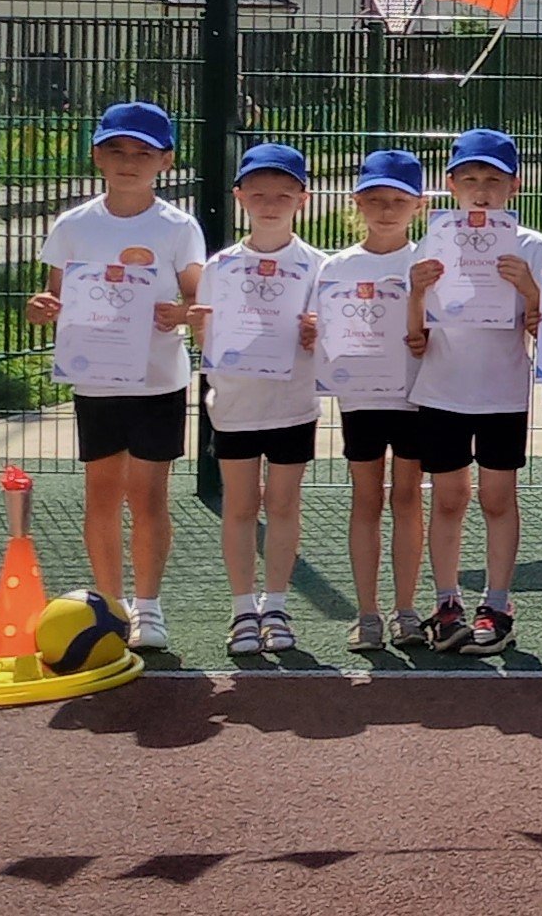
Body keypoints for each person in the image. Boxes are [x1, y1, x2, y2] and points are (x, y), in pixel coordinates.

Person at [25, 101, 208, 651]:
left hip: (157, 379)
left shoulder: (179, 226)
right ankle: (110, 606)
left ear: (166, 160)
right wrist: (41, 309)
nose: (129, 162)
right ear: (97, 155)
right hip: (96, 379)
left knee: (148, 496)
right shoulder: (73, 225)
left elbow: (197, 300)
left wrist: (180, 313)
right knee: (101, 495)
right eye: (117, 150)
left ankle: (148, 606)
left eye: (142, 153)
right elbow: (55, 297)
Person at [406, 128, 542, 655]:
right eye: (470, 180)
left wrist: (530, 289)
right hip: (443, 390)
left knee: (497, 498)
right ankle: (447, 601)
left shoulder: (530, 246)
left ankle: (497, 601)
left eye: (493, 180)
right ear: (451, 185)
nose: (482, 192)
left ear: (514, 186)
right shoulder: (433, 241)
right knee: (448, 499)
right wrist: (418, 291)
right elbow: (415, 334)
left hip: (502, 394)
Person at [190, 142, 322, 657]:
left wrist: (318, 332)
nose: (271, 203)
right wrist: (207, 331)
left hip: (293, 405)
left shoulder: (317, 266)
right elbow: (208, 339)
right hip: (236, 405)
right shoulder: (220, 267)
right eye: (260, 193)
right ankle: (242, 607)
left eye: (284, 194)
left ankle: (278, 605)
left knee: (285, 504)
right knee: (241, 506)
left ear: (302, 199)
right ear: (240, 196)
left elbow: (330, 337)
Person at [322, 149, 429, 651]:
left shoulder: (429, 264)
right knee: (366, 499)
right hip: (360, 398)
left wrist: (427, 337)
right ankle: (367, 613)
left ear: (420, 205)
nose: (386, 210)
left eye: (398, 200)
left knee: (407, 498)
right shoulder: (335, 268)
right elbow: (319, 334)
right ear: (357, 203)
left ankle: (406, 609)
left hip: (414, 398)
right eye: (375, 200)